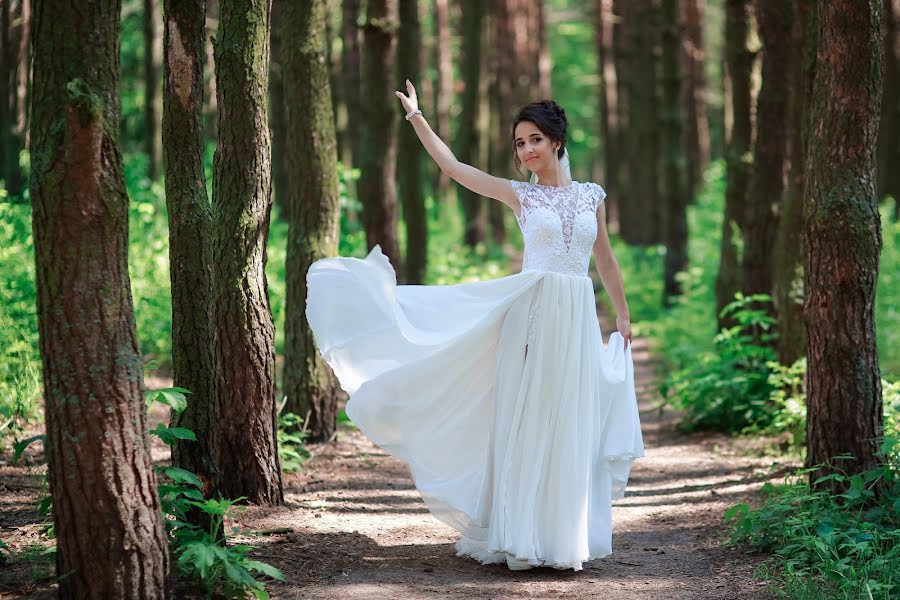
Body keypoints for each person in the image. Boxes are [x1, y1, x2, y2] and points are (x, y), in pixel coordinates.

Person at [305, 80, 644, 571]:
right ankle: (523, 534)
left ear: (557, 141)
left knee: (571, 417)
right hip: (532, 315)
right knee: (529, 417)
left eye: (534, 140)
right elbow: (454, 168)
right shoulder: (521, 198)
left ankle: (563, 534)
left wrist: (623, 313)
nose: (526, 151)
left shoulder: (591, 196)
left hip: (575, 316)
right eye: (519, 143)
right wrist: (417, 118)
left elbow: (605, 260)